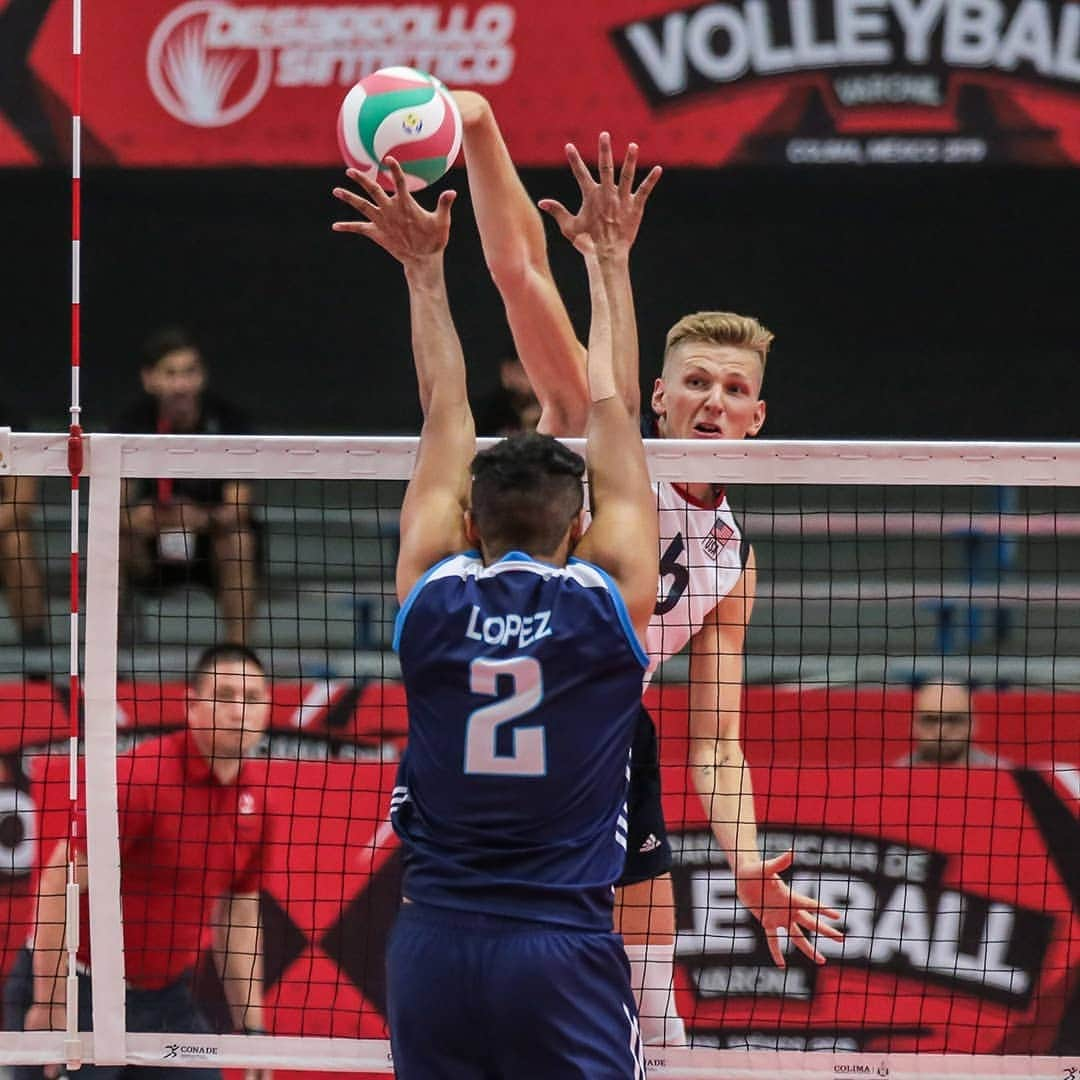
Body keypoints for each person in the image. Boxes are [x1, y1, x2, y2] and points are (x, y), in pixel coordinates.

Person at [454, 91, 843, 1044]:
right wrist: (477, 127)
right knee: (491, 974)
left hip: (609, 733)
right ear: (659, 396)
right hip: (505, 708)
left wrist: (748, 861)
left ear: (758, 419)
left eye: (736, 389)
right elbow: (519, 272)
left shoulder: (735, 560)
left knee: (653, 1004)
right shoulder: (596, 435)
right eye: (698, 383)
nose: (715, 401)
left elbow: (715, 742)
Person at [332, 141, 660, 1077]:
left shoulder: (430, 597)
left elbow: (444, 412)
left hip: (431, 942)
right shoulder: (607, 604)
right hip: (557, 948)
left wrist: (424, 273)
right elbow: (612, 409)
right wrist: (607, 260)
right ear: (586, 522)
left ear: (467, 520)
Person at [5, 644, 273, 1080]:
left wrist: (255, 1026)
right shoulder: (141, 777)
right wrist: (51, 1002)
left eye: (253, 698)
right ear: (192, 704)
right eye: (224, 696)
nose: (239, 711)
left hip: (166, 1000)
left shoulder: (256, 804)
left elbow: (239, 914)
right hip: (79, 989)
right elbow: (59, 882)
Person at [113, 329, 259, 645]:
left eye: (190, 372)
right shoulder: (129, 425)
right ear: (149, 379)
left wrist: (198, 519)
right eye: (171, 374)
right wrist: (137, 519)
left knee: (239, 542)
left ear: (202, 377)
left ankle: (239, 655)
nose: (181, 385)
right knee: (109, 543)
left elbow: (239, 506)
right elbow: (113, 506)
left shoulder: (231, 423)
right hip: (149, 547)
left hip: (210, 545)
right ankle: (105, 661)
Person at [0, 398, 48, 652]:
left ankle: (35, 656)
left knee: (17, 542)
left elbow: (21, 501)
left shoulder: (10, 420)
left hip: (1, 532)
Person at [900, 680, 1008, 767]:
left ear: (973, 724)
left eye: (954, 719)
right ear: (914, 725)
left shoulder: (1008, 777)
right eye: (930, 720)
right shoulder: (892, 777)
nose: (941, 731)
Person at [474, 355, 541, 436]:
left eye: (533, 371)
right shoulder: (487, 409)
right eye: (522, 371)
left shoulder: (545, 405)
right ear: (506, 371)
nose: (528, 380)